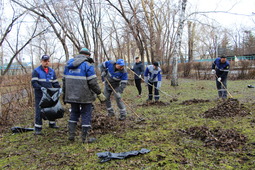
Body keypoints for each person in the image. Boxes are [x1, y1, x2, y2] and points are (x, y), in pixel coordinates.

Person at [63, 48, 106, 143]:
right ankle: (84, 139)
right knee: (86, 114)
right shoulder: (87, 65)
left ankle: (71, 136)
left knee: (74, 112)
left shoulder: (68, 64)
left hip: (71, 95)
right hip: (85, 96)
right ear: (88, 56)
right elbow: (93, 83)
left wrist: (64, 95)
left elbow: (64, 81)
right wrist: (99, 93)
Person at [31, 55, 60, 135]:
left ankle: (52, 123)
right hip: (40, 94)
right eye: (45, 61)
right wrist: (41, 88)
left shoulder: (51, 71)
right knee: (39, 110)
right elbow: (34, 83)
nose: (46, 62)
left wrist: (59, 89)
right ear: (41, 61)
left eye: (47, 61)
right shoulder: (36, 71)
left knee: (51, 108)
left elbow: (55, 82)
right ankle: (38, 128)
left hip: (50, 93)